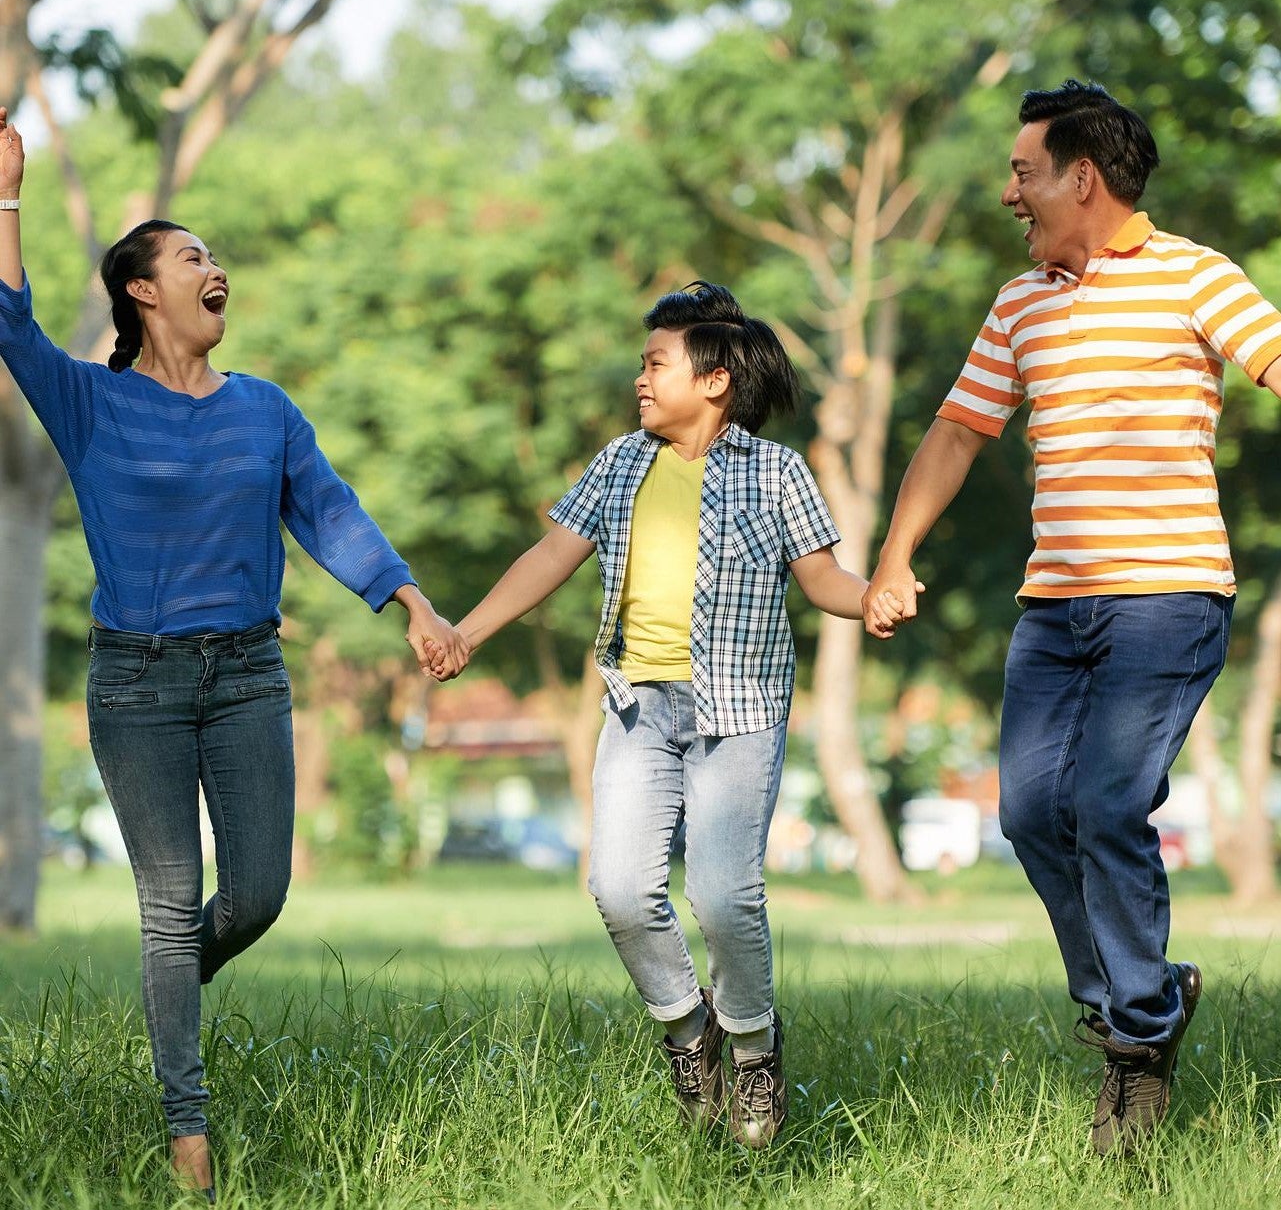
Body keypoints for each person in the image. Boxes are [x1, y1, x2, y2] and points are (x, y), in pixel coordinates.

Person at [0, 107, 467, 1200]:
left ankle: (172, 988)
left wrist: (413, 605)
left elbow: (333, 512)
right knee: (171, 902)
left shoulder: (264, 410)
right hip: (137, 682)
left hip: (250, 674)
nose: (218, 268)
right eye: (193, 255)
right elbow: (9, 322)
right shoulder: (92, 403)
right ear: (142, 292)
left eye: (215, 257)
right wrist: (7, 195)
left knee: (255, 895)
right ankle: (186, 1133)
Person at [862, 79, 1281, 1155]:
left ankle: (1135, 1049)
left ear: (1080, 177)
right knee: (1031, 815)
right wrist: (895, 555)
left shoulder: (1195, 276)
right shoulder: (1021, 302)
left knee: (1106, 804)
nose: (1010, 191)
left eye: (1023, 171)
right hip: (1053, 608)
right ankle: (1143, 999)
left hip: (1168, 595)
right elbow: (959, 432)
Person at [436, 281, 904, 1147]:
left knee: (724, 896)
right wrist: (465, 631)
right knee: (616, 886)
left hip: (739, 712)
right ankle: (689, 1035)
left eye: (657, 364)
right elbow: (550, 555)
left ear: (715, 378)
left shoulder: (776, 471)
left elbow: (821, 578)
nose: (641, 379)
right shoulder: (621, 462)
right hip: (635, 705)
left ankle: (754, 1050)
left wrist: (870, 595)